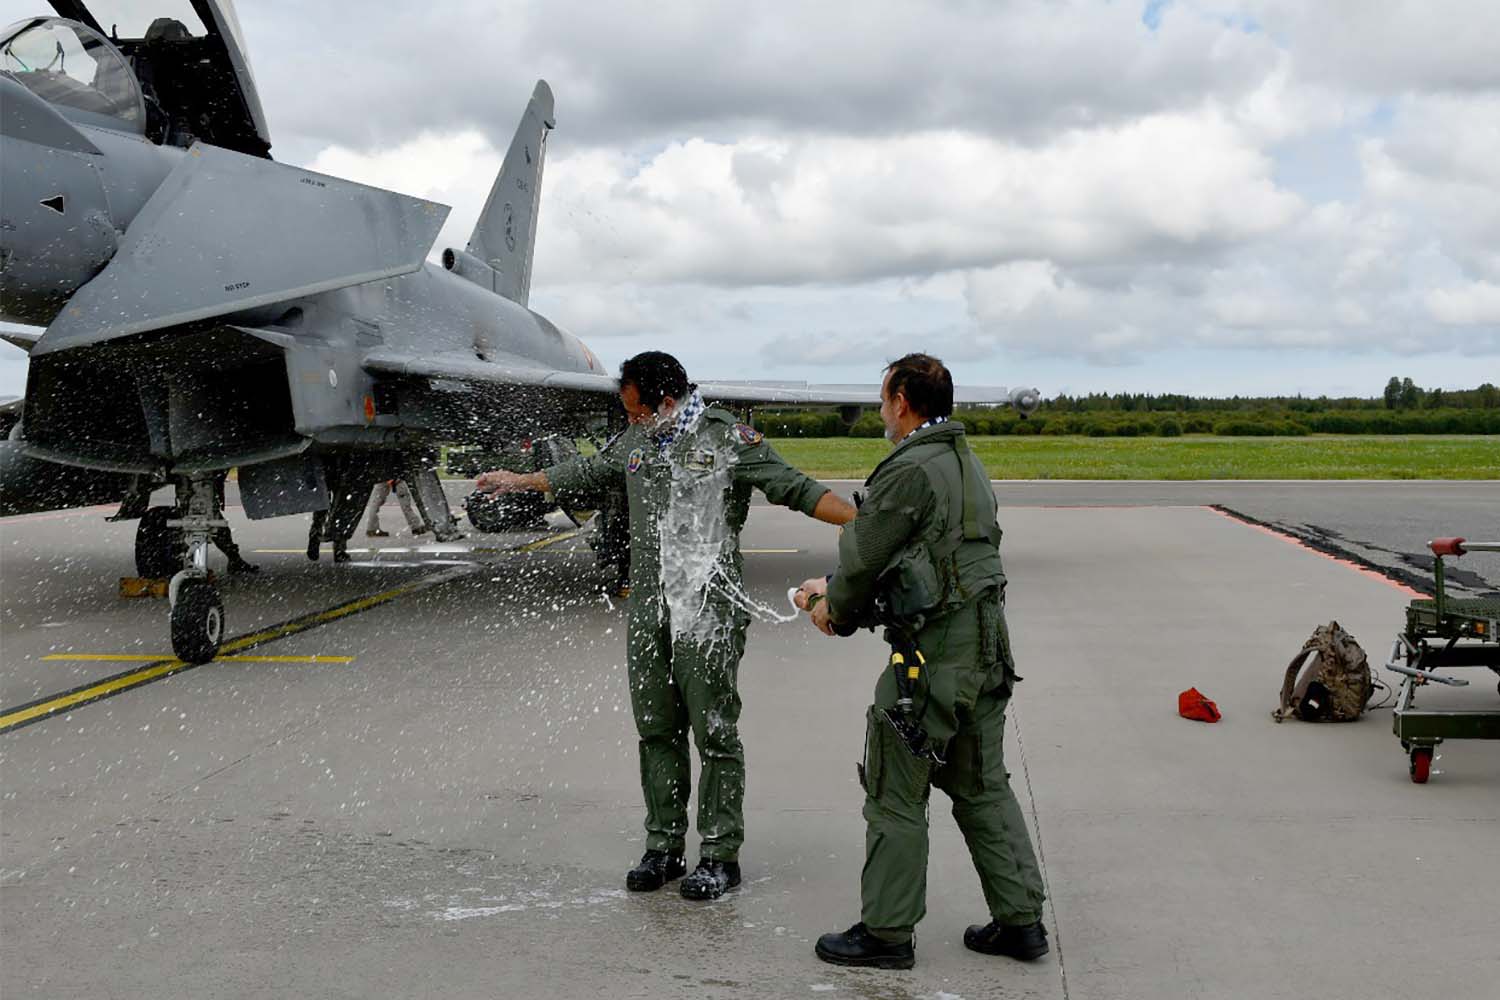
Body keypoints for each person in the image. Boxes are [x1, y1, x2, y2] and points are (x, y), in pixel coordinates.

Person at [477, 351, 856, 900]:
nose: (630, 421)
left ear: (668, 402)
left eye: (636, 411)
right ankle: (664, 847)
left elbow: (794, 487)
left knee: (714, 733)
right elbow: (587, 470)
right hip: (650, 608)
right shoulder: (639, 440)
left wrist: (862, 521)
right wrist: (520, 481)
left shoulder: (725, 439)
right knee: (655, 727)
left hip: (706, 612)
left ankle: (721, 855)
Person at [794, 353, 1047, 970]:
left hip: (933, 661)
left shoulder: (909, 469)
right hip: (987, 652)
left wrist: (830, 607)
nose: (882, 411)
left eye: (884, 400)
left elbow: (862, 558)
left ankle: (885, 934)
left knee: (894, 790)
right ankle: (1022, 923)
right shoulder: (968, 464)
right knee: (982, 786)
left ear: (902, 400)